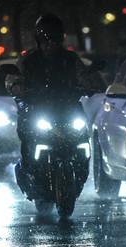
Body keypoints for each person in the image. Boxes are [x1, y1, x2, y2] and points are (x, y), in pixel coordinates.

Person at [6, 13, 94, 197]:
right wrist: (16, 85)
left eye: (55, 40)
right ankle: (29, 172)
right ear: (39, 39)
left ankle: (79, 173)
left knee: (82, 138)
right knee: (28, 134)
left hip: (67, 109)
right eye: (47, 40)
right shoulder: (28, 59)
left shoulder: (71, 59)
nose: (51, 45)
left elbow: (84, 76)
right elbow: (14, 76)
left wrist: (88, 85)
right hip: (37, 109)